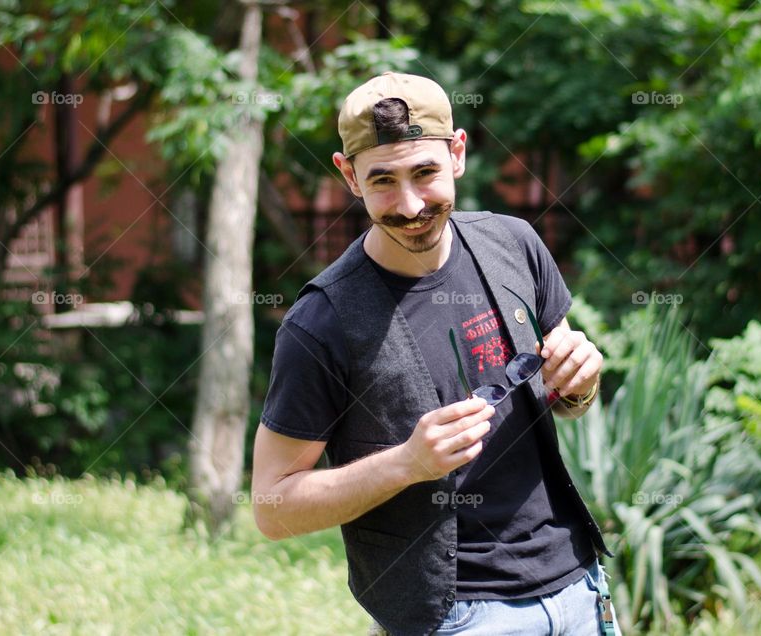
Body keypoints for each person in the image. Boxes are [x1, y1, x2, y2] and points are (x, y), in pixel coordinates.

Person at [252, 71, 622, 636]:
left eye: (425, 173)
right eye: (382, 181)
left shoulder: (515, 244)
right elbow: (272, 507)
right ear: (348, 175)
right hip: (456, 616)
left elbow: (568, 400)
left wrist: (579, 381)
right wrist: (406, 464)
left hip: (578, 586)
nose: (409, 204)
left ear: (458, 153)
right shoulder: (320, 323)